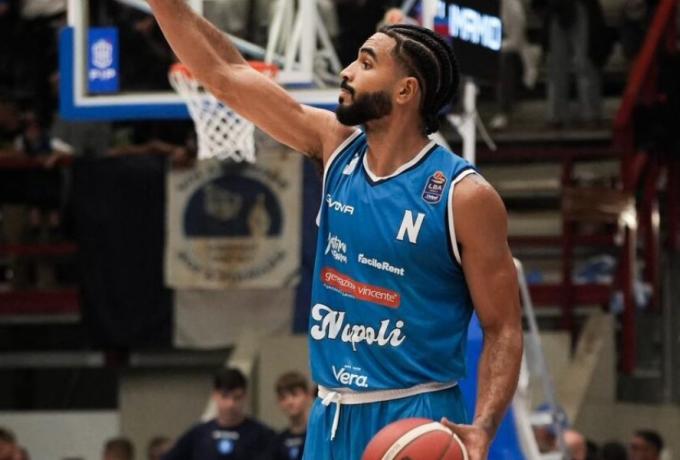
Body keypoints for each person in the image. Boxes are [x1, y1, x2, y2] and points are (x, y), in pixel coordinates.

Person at [148, 2, 523, 459]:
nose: (346, 72)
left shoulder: (463, 196)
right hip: (330, 414)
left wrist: (484, 426)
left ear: (405, 90)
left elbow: (503, 327)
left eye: (366, 63)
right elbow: (225, 74)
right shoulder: (334, 146)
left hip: (416, 415)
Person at [161, 368, 276, 460]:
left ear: (245, 396)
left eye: (237, 397)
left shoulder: (263, 436)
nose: (231, 404)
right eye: (225, 396)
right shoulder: (198, 435)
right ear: (215, 395)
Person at [273, 371, 314, 460]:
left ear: (308, 396)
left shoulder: (319, 436)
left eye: (295, 394)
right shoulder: (276, 441)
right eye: (283, 397)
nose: (289, 401)